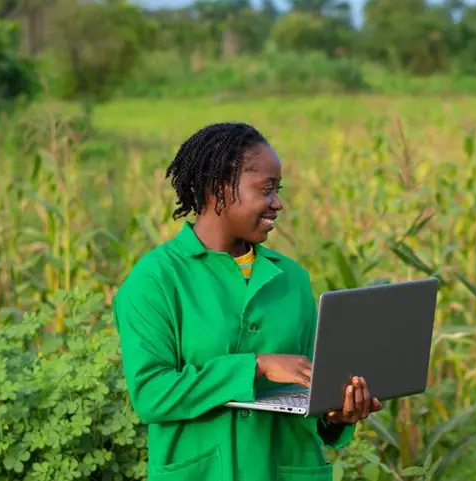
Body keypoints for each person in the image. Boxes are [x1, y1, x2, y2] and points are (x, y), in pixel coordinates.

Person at [112, 122, 382, 481]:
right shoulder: (155, 281)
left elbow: (311, 392)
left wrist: (337, 414)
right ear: (218, 189)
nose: (278, 202)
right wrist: (256, 366)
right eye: (266, 190)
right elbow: (151, 394)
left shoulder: (292, 279)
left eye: (278, 189)